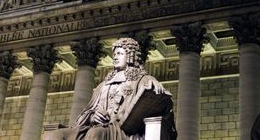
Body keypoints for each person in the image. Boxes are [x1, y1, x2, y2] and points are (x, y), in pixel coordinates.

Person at [44, 38, 177, 140]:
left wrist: (157, 91)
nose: (115, 56)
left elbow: (163, 105)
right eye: (114, 54)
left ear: (130, 55)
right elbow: (86, 113)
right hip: (95, 127)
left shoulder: (144, 80)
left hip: (122, 132)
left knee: (95, 134)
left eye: (120, 53)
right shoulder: (104, 85)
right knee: (52, 136)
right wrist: (92, 116)